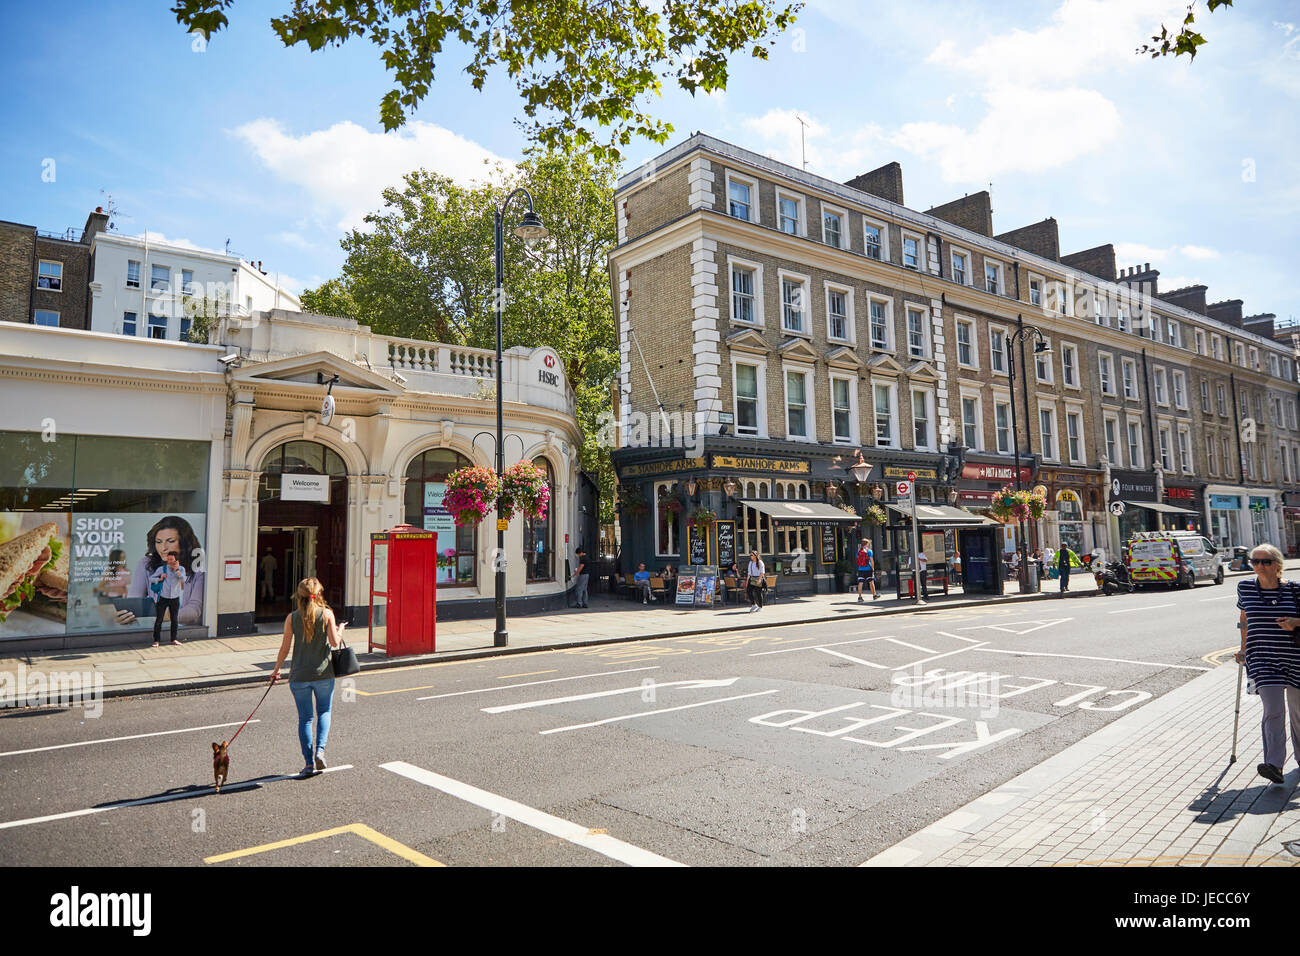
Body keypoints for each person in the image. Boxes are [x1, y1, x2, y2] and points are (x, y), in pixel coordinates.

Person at [1236, 544, 1300, 784]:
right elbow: (1244, 619)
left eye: (1265, 562)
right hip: (1262, 658)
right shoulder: (1245, 587)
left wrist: (1295, 621)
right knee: (1273, 710)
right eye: (1255, 561)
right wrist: (1243, 649)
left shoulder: (1294, 590)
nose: (1259, 566)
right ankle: (1274, 764)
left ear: (1277, 565)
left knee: (1298, 713)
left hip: (1295, 657)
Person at [271, 578, 343, 776]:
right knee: (324, 713)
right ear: (319, 594)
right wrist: (340, 630)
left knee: (305, 719)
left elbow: (284, 649)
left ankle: (309, 763)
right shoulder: (327, 614)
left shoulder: (291, 618)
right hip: (323, 674)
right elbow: (335, 642)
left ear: (299, 596)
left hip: (299, 676)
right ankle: (320, 751)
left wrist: (276, 670)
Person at [120, 516, 205, 627]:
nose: (163, 548)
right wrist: (126, 614)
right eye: (158, 542)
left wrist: (166, 615)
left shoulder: (198, 566)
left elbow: (195, 609)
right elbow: (134, 602)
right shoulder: (146, 564)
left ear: (185, 542)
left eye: (170, 541)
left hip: (188, 632)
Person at [148, 550, 187, 646]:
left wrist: (177, 570)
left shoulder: (181, 569)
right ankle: (156, 640)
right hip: (163, 597)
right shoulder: (162, 569)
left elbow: (183, 580)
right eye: (168, 559)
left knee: (174, 619)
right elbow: (151, 578)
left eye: (171, 559)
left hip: (175, 598)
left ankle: (174, 639)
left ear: (176, 560)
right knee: (159, 620)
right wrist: (159, 578)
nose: (169, 561)